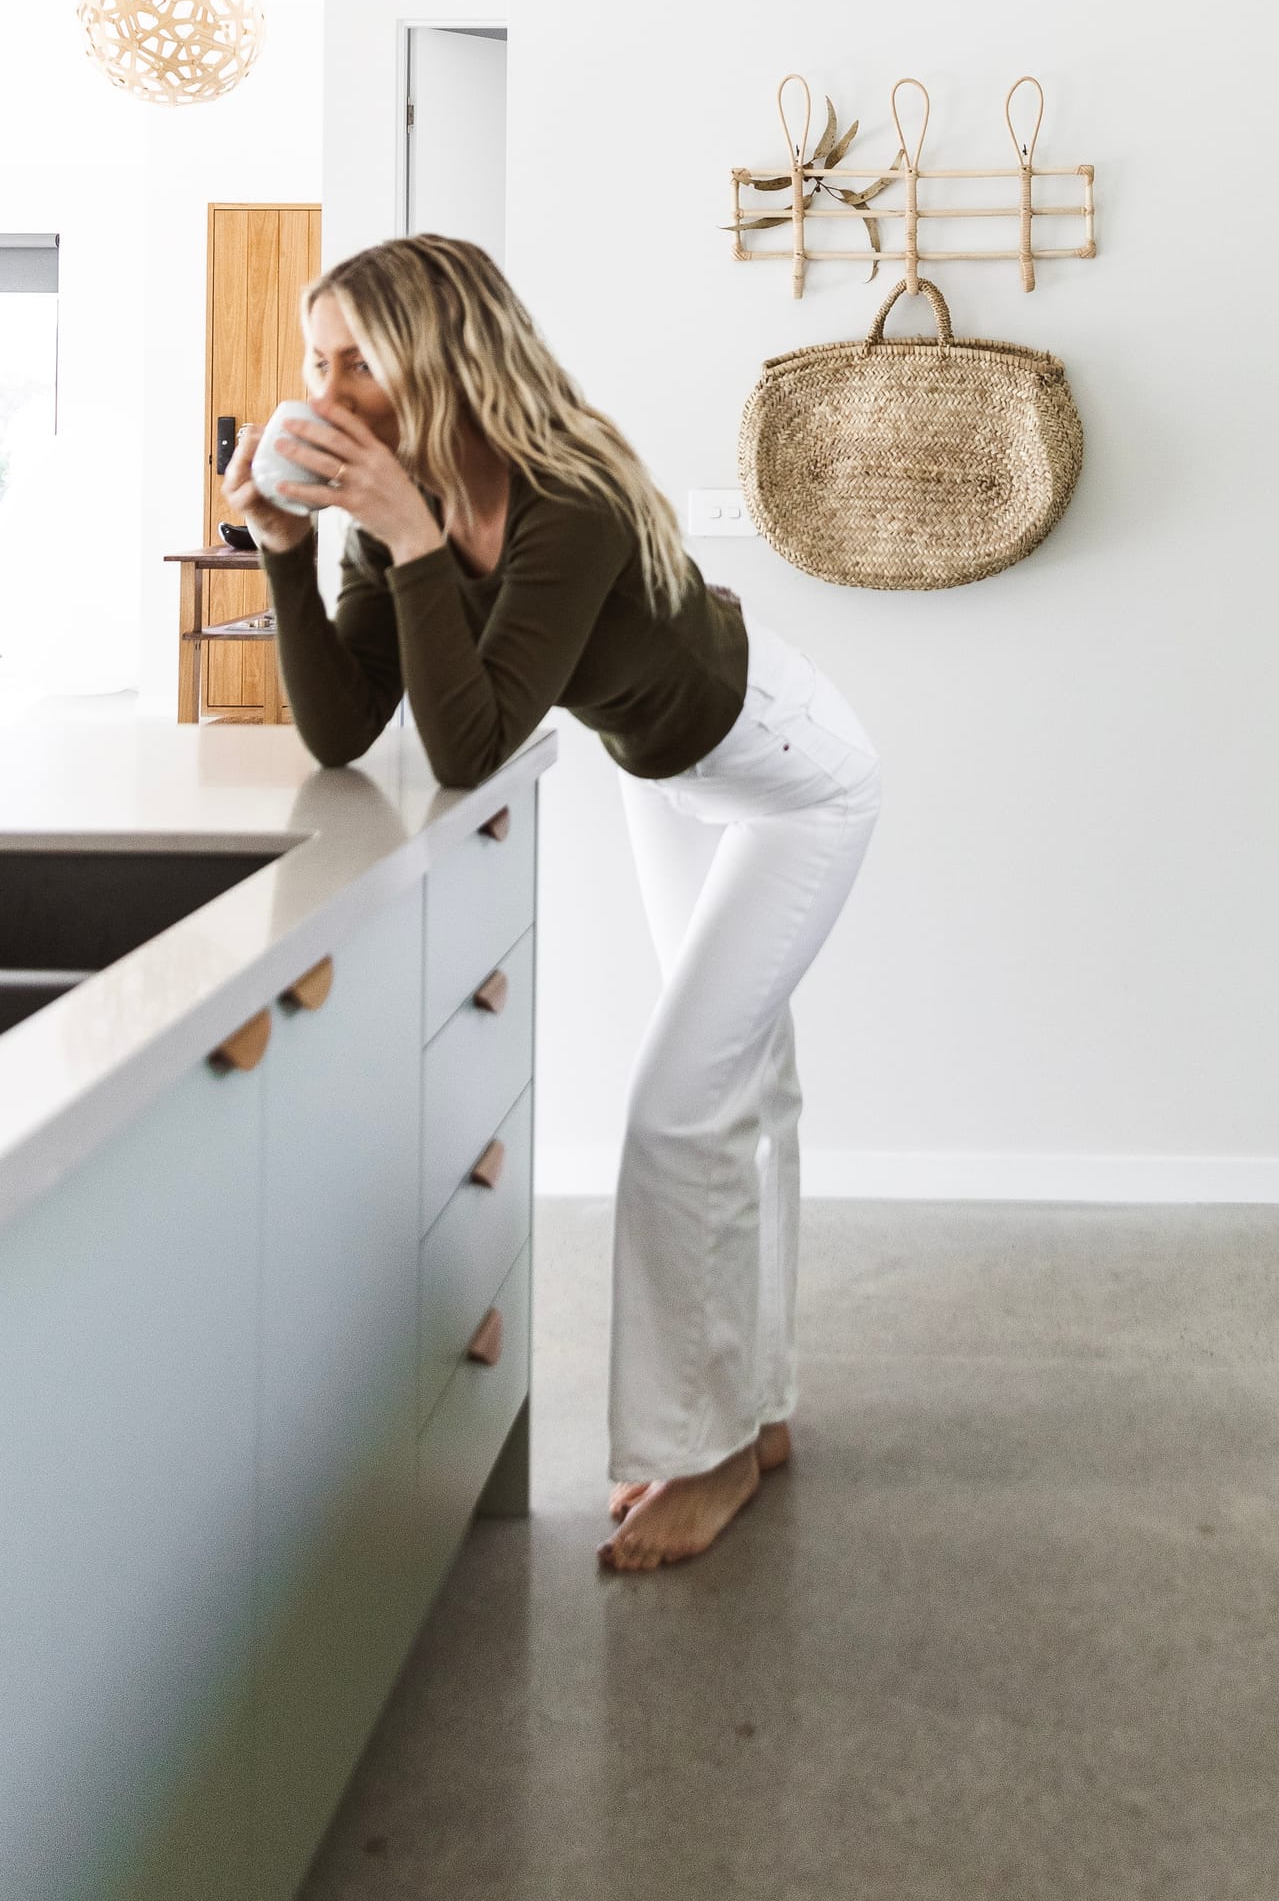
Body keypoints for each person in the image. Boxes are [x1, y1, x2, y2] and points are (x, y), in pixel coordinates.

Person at [222, 234, 880, 1571]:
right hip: (672, 778)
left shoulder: (563, 498)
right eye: (318, 364)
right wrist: (289, 549)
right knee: (741, 1097)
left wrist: (407, 538)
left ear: (440, 356)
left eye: (361, 362)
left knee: (678, 1108)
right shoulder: (397, 515)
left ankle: (697, 1455)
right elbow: (349, 727)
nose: (330, 392)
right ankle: (754, 1413)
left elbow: (475, 744)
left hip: (795, 778)